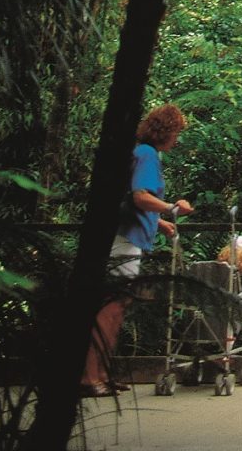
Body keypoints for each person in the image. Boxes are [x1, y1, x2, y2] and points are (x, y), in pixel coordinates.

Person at [81, 103, 193, 399]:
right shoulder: (146, 154)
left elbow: (132, 202)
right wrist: (172, 208)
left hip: (128, 236)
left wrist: (160, 223)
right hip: (123, 240)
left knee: (117, 308)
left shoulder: (141, 153)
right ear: (166, 132)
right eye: (177, 132)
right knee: (110, 308)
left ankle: (102, 374)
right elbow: (140, 197)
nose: (177, 139)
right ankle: (90, 377)